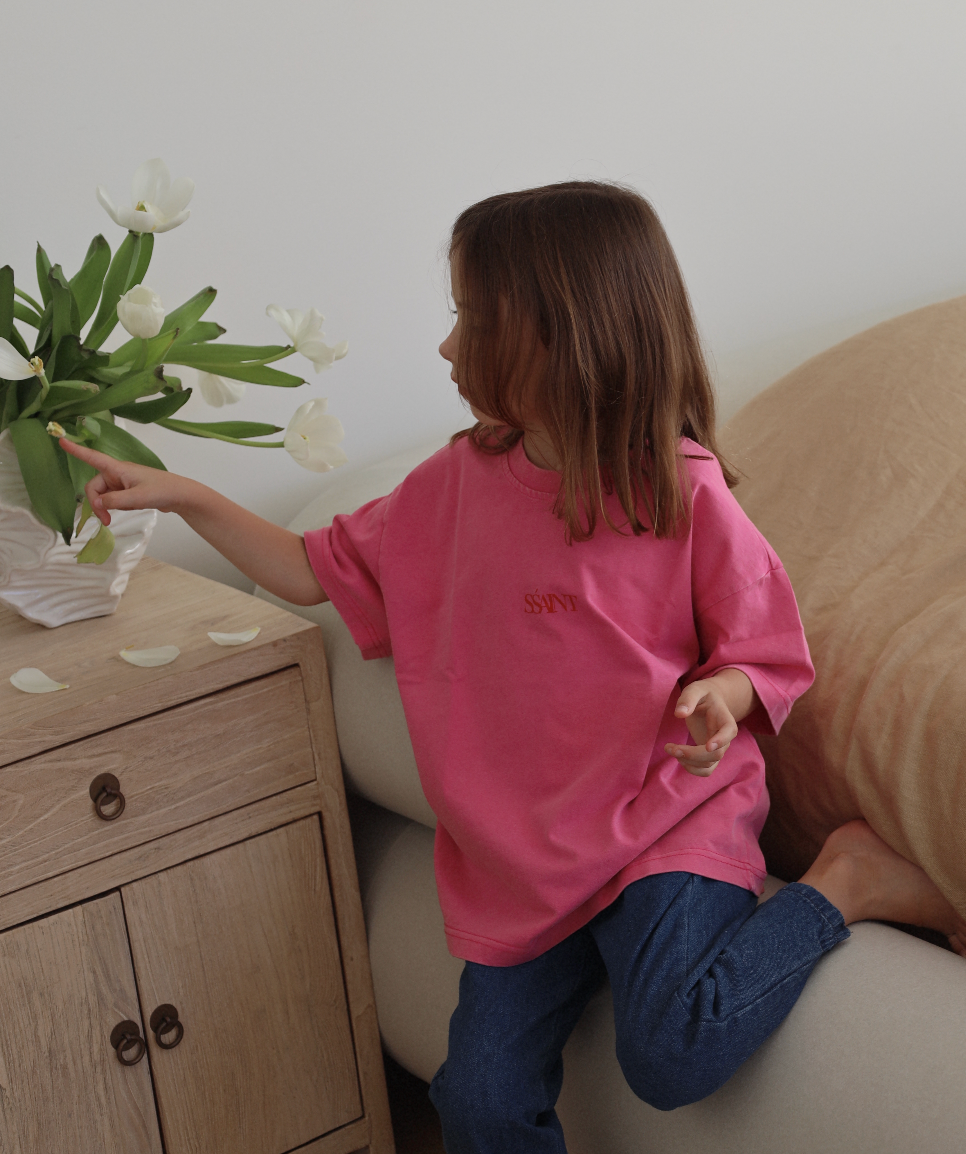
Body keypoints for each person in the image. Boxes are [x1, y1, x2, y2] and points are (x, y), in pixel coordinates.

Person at [62, 181, 965, 1154]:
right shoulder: (448, 490)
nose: (448, 347)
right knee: (480, 1101)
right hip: (523, 864)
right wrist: (186, 495)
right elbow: (309, 569)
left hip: (667, 823)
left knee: (672, 1051)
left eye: (473, 320)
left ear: (566, 335)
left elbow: (766, 646)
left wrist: (722, 693)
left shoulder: (679, 490)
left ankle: (846, 882)